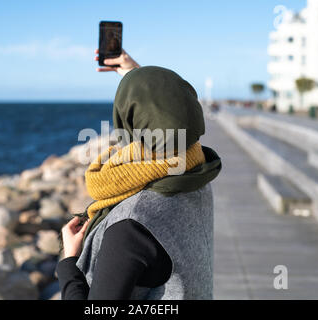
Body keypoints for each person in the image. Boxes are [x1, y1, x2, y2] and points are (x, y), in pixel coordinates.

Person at [56, 50, 222, 300]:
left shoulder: (131, 226)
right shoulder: (196, 173)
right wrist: (136, 75)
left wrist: (68, 264)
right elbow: (170, 110)